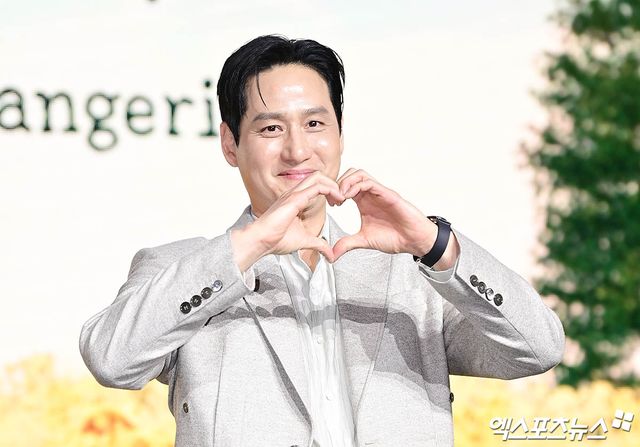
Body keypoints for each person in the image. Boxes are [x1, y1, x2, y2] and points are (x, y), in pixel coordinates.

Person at [79, 34, 565, 447]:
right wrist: (248, 247)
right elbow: (112, 361)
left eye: (315, 124)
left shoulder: (411, 276)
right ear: (230, 143)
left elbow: (537, 349)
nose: (297, 150)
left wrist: (433, 244)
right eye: (271, 128)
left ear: (339, 133)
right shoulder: (186, 270)